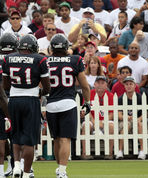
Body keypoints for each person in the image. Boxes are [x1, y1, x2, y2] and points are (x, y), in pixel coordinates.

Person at [2, 34, 50, 178]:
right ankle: (26, 172)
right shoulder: (40, 59)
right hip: (31, 99)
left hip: (14, 99)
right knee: (30, 140)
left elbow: (5, 85)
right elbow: (47, 87)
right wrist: (40, 91)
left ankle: (16, 166)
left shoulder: (7, 59)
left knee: (16, 136)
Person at [46, 34, 90, 178]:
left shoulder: (46, 61)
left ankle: (59, 169)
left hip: (51, 104)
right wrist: (87, 102)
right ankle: (62, 171)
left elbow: (40, 85)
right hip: (68, 103)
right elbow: (84, 86)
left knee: (56, 139)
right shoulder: (75, 60)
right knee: (65, 139)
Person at [81, 76, 114, 160]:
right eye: (98, 83)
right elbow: (85, 110)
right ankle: (85, 153)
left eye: (102, 83)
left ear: (106, 85)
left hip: (106, 121)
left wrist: (103, 122)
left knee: (111, 126)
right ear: (94, 84)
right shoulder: (89, 94)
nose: (100, 85)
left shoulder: (110, 95)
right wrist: (95, 121)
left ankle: (109, 153)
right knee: (86, 125)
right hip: (91, 120)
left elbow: (112, 113)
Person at [0, 33, 19, 178]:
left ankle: (10, 164)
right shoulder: (17, 59)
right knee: (16, 137)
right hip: (14, 99)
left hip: (5, 100)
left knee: (3, 137)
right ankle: (16, 165)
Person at [117, 76, 146, 160]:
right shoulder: (121, 98)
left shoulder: (139, 97)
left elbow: (144, 113)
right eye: (126, 84)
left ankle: (142, 150)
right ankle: (120, 151)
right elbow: (119, 114)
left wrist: (139, 119)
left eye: (131, 84)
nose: (129, 86)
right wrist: (125, 117)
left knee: (138, 124)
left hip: (137, 120)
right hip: (125, 120)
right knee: (126, 126)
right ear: (124, 86)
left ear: (134, 86)